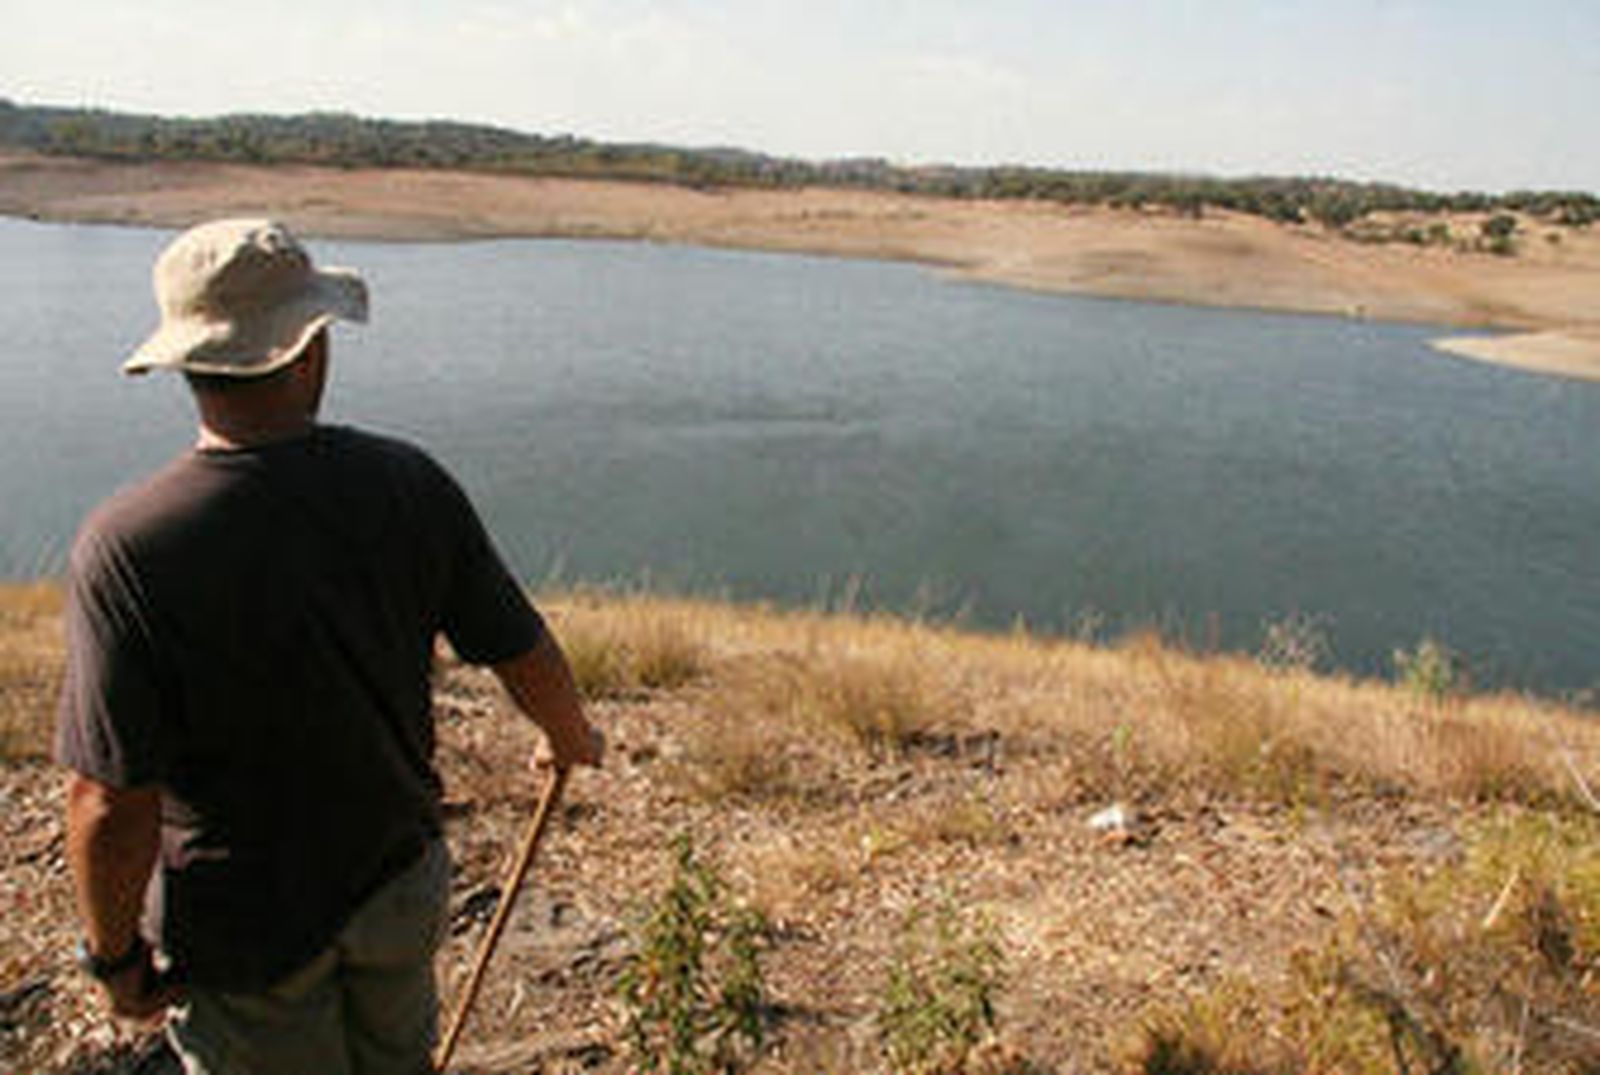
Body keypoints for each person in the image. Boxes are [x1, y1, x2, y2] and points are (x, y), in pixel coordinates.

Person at [55, 217, 604, 1074]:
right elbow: (520, 647)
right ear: (309, 348)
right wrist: (566, 734)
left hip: (242, 930)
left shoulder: (129, 545)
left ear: (188, 363)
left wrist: (115, 959)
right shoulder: (408, 483)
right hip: (395, 883)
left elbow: (107, 801)